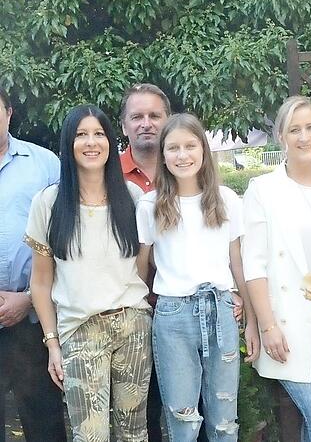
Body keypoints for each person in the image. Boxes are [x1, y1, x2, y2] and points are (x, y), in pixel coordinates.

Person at [26, 104, 152, 440]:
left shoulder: (133, 197)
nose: (91, 142)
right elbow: (40, 283)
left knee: (134, 432)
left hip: (133, 326)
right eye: (81, 135)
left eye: (99, 134)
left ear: (111, 142)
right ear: (69, 144)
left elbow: (141, 267)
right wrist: (52, 343)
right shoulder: (49, 203)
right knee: (90, 434)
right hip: (80, 330)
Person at [135, 113, 257, 441]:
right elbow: (142, 267)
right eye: (173, 148)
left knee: (223, 420)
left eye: (190, 146)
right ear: (162, 155)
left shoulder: (226, 199)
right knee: (182, 417)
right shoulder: (151, 205)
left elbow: (237, 262)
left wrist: (250, 316)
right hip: (173, 315)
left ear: (203, 150)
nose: (182, 155)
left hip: (220, 312)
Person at [243, 96, 311, 442]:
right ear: (281, 137)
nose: (305, 137)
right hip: (287, 321)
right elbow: (253, 265)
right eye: (294, 130)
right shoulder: (263, 190)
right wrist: (266, 325)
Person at [0, 88, 67, 442]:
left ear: (9, 112)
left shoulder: (45, 165)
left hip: (32, 321)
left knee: (44, 423)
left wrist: (28, 298)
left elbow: (66, 244)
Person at [118, 82, 171, 442]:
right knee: (142, 413)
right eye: (137, 116)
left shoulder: (188, 165)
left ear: (168, 120)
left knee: (192, 408)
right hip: (129, 314)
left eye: (155, 115)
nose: (146, 123)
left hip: (181, 310)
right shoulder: (105, 174)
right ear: (123, 126)